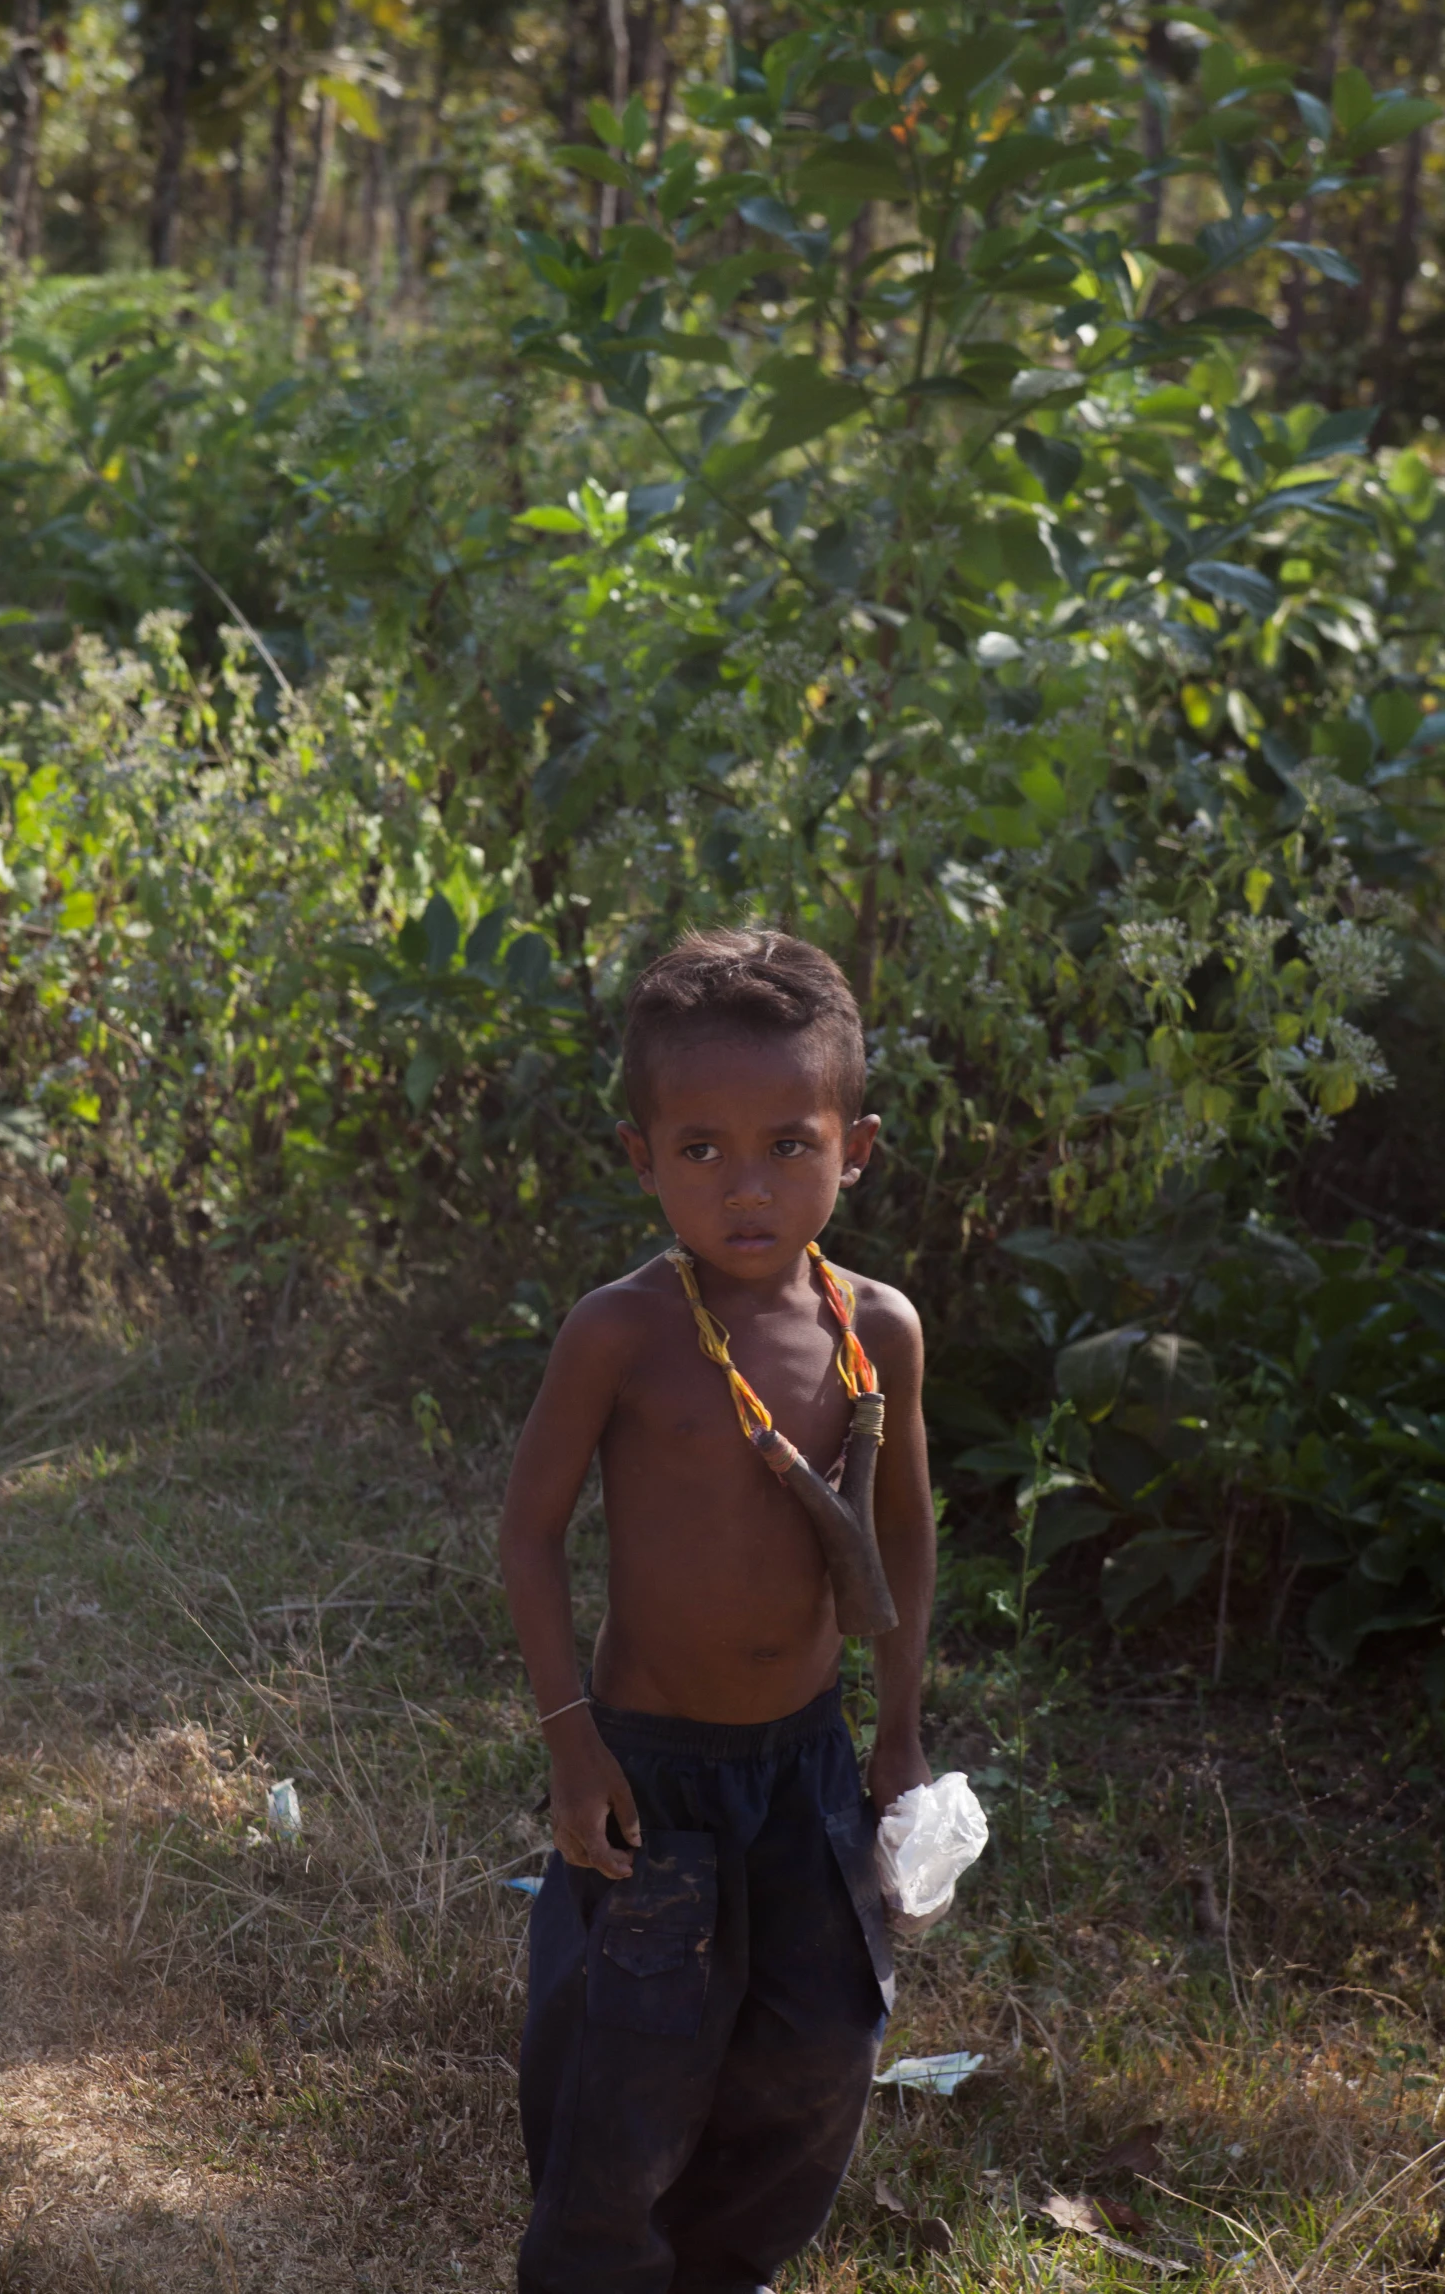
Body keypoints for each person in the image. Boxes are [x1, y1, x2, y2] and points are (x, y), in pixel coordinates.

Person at [499, 926, 937, 2294]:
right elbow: (525, 1531)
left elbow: (908, 1539)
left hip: (806, 1769)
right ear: (640, 1156)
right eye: (699, 1150)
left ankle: (720, 2271)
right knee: (625, 2071)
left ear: (853, 1146)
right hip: (653, 1773)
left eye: (787, 1145)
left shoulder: (879, 1329)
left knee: (812, 2053)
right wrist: (575, 1746)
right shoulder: (620, 1332)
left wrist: (900, 1734)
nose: (745, 1188)